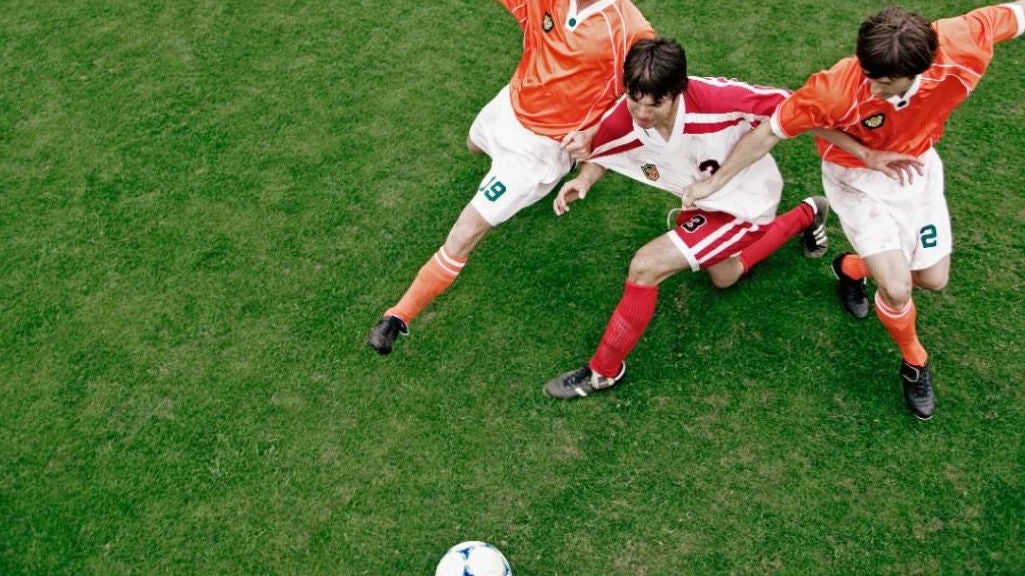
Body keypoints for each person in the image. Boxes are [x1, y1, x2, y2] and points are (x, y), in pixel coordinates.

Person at [680, 3, 1025, 419]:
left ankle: (852, 269)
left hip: (916, 170)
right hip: (854, 179)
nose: (872, 90)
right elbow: (773, 129)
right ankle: (915, 363)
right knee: (897, 289)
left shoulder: (963, 42)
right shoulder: (837, 87)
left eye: (883, 83)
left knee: (933, 279)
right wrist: (714, 182)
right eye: (868, 76)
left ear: (920, 68)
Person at [543, 37, 831, 399]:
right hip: (700, 204)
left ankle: (603, 372)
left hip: (745, 205)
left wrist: (858, 150)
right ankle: (809, 213)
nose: (641, 113)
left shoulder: (719, 100)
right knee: (726, 277)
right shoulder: (629, 112)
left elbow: (795, 106)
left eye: (655, 103)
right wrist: (583, 180)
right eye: (634, 98)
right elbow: (604, 147)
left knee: (645, 266)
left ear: (678, 91)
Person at [367, 0, 655, 355]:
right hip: (510, 106)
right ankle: (500, 177)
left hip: (538, 152)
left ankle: (398, 316)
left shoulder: (630, 32)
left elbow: (641, 105)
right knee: (473, 145)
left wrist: (593, 136)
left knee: (466, 230)